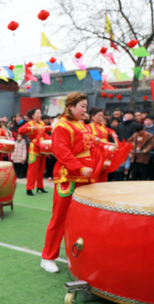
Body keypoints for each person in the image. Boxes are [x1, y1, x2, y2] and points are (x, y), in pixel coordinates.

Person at [41, 92, 101, 273]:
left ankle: (73, 254)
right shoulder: (62, 126)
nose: (85, 110)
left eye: (85, 106)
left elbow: (87, 148)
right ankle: (47, 257)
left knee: (80, 220)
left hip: (86, 178)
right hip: (69, 177)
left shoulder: (83, 125)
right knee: (59, 218)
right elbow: (62, 153)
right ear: (71, 107)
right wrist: (80, 168)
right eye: (81, 106)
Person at [18, 108, 50, 195]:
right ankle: (29, 188)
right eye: (38, 113)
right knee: (32, 170)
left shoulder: (42, 123)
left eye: (40, 113)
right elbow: (20, 130)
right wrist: (30, 128)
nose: (40, 115)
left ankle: (40, 186)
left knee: (41, 169)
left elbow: (45, 134)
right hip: (34, 149)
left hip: (42, 148)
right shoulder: (30, 123)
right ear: (33, 115)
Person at [87, 107, 118, 182]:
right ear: (93, 116)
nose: (101, 118)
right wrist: (94, 138)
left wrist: (113, 134)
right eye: (99, 116)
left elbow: (110, 130)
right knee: (96, 170)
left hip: (105, 151)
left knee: (104, 172)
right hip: (96, 151)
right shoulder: (89, 126)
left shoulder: (102, 126)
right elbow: (86, 135)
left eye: (102, 116)